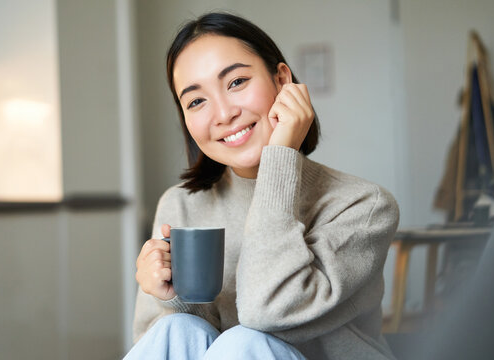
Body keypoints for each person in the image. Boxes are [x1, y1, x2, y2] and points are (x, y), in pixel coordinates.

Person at [125, 12, 399, 360]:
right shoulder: (180, 205)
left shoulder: (363, 205)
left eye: (236, 82)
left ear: (282, 80)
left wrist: (280, 157)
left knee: (245, 340)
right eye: (196, 101)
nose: (223, 114)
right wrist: (171, 294)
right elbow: (174, 345)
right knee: (174, 328)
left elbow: (266, 313)